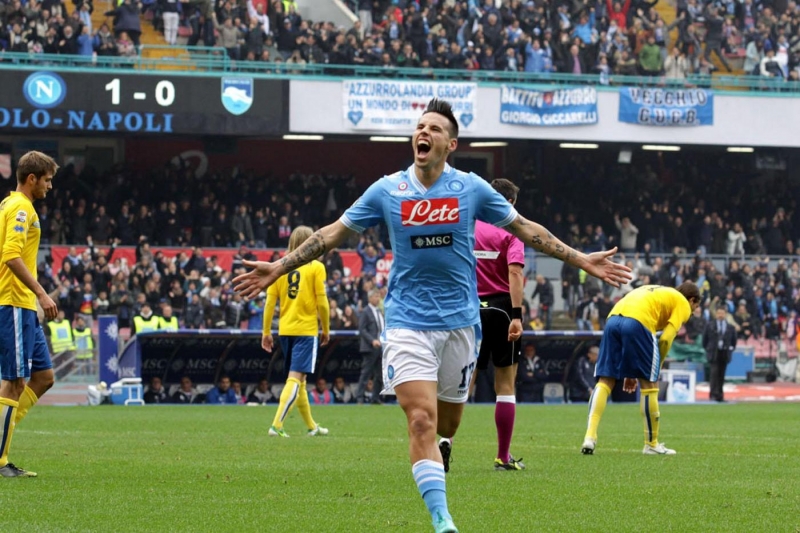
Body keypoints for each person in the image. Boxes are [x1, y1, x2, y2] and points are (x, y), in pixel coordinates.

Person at [234, 99, 631, 533]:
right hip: (407, 322)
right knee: (420, 419)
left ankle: (445, 449)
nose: (423, 132)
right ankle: (442, 519)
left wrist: (581, 259)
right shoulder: (387, 189)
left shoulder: (471, 188)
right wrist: (279, 266)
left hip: (460, 325)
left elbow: (525, 228)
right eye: (420, 126)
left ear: (450, 144)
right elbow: (332, 233)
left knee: (448, 422)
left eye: (434, 128)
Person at [582, 282, 700, 456]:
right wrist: (656, 367)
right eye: (695, 308)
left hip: (612, 319)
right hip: (639, 322)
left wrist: (631, 373)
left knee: (605, 380)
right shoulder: (683, 303)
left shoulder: (660, 291)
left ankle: (589, 437)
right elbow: (666, 339)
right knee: (650, 384)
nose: (692, 312)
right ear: (692, 300)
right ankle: (651, 444)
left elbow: (628, 333)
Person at [0, 151, 59, 477]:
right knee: (14, 383)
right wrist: (41, 293)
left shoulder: (10, 205)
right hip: (14, 302)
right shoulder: (21, 208)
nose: (50, 186)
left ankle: (2, 434)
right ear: (32, 178)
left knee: (44, 377)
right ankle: (0, 459)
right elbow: (10, 255)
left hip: (22, 306)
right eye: (47, 180)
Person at [471, 178, 525, 471]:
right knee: (505, 385)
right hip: (502, 309)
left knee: (462, 383)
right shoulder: (512, 232)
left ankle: (445, 442)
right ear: (510, 203)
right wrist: (516, 315)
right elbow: (515, 273)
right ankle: (503, 456)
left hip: (468, 308)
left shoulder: (469, 226)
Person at [262, 225, 330, 438]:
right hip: (306, 330)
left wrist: (266, 332)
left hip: (285, 330)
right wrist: (326, 328)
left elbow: (269, 303)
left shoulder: (279, 267)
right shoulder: (316, 267)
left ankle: (311, 427)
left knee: (300, 381)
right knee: (295, 378)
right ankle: (276, 425)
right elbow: (322, 302)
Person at [355, 289, 384, 404]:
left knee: (379, 375)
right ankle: (359, 398)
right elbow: (362, 329)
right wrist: (372, 340)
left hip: (381, 347)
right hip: (370, 347)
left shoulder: (379, 311)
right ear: (370, 298)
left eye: (378, 297)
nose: (378, 299)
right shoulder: (366, 311)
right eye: (376, 296)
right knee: (366, 374)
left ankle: (375, 398)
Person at [703, 307, 737, 402]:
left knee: (721, 375)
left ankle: (720, 395)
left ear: (725, 314)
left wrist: (730, 349)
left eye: (722, 313)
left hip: (724, 353)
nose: (720, 315)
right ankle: (713, 395)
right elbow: (704, 340)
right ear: (716, 314)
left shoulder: (730, 327)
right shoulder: (710, 325)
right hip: (714, 353)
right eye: (719, 313)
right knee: (714, 374)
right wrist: (709, 349)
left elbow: (733, 341)